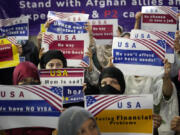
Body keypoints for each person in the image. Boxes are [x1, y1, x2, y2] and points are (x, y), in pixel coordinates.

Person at [4, 61, 54, 135]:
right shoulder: (6, 110)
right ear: (16, 81)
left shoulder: (50, 105)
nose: (29, 85)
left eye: (34, 81)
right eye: (24, 81)